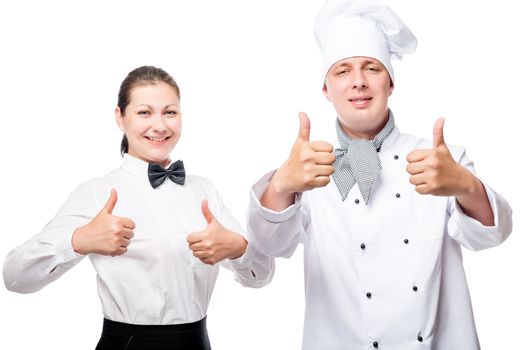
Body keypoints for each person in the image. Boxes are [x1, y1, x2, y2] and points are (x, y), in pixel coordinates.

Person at [246, 0, 512, 349]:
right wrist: (281, 184)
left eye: (371, 68)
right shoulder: (309, 168)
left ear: (391, 83)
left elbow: (493, 235)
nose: (358, 82)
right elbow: (269, 247)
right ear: (326, 90)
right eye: (342, 71)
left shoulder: (437, 160)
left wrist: (465, 184)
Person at [3, 65, 274, 350]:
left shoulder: (204, 191)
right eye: (144, 112)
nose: (160, 125)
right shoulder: (97, 192)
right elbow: (14, 276)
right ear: (120, 117)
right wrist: (78, 240)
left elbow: (261, 277)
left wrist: (237, 247)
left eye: (170, 112)